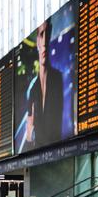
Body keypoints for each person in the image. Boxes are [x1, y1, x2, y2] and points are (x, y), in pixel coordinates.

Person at [24, 19, 64, 151]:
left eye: (48, 33)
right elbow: (29, 135)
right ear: (37, 41)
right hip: (39, 152)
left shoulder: (58, 79)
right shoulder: (32, 89)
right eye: (41, 34)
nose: (45, 41)